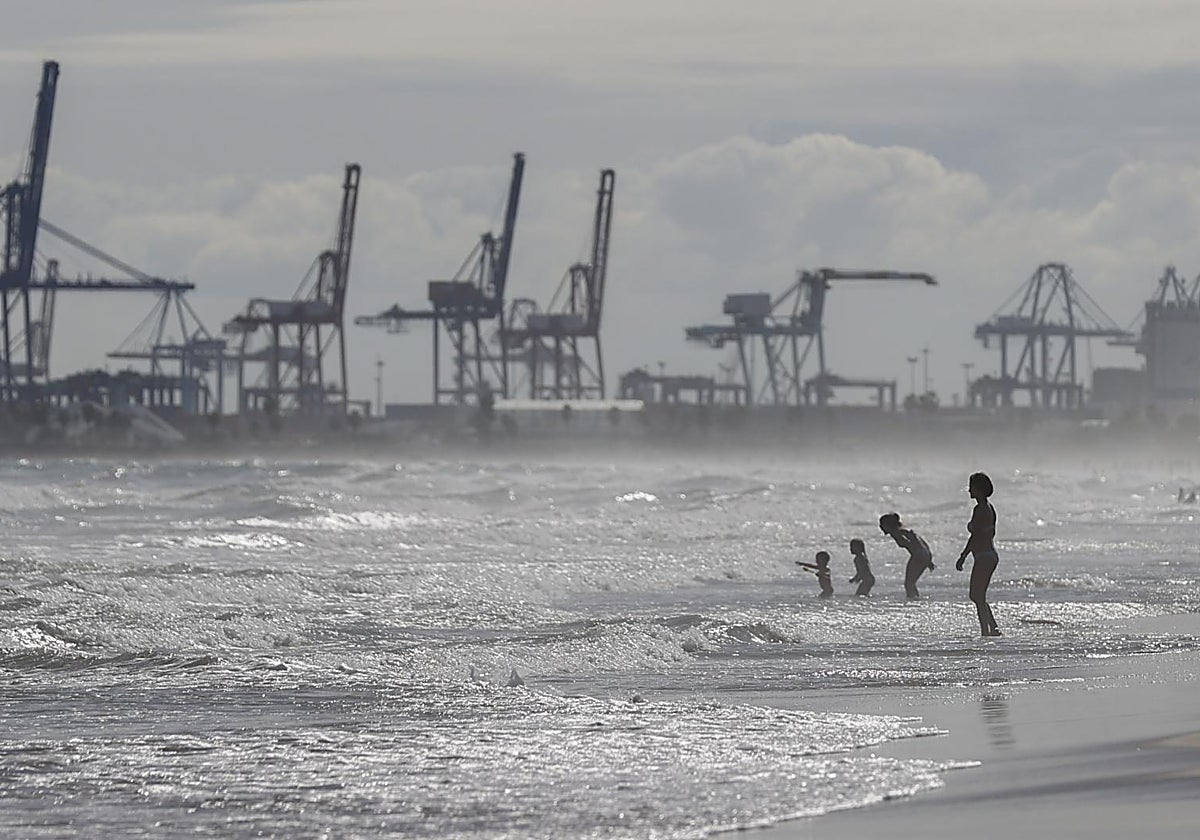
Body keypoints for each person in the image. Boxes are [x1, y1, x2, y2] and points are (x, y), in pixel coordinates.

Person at [955, 471, 1001, 637]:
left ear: (979, 489)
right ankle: (993, 630)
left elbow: (975, 536)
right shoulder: (990, 508)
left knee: (977, 595)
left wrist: (963, 556)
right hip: (989, 555)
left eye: (971, 487)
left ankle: (986, 633)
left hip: (984, 557)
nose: (969, 490)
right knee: (977, 596)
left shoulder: (980, 509)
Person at [879, 512, 935, 599]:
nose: (880, 527)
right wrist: (927, 557)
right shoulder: (902, 530)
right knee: (910, 583)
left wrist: (920, 555)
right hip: (924, 553)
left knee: (909, 584)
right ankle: (915, 599)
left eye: (881, 524)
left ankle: (913, 601)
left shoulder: (897, 532)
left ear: (887, 525)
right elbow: (917, 540)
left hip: (918, 554)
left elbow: (912, 542)